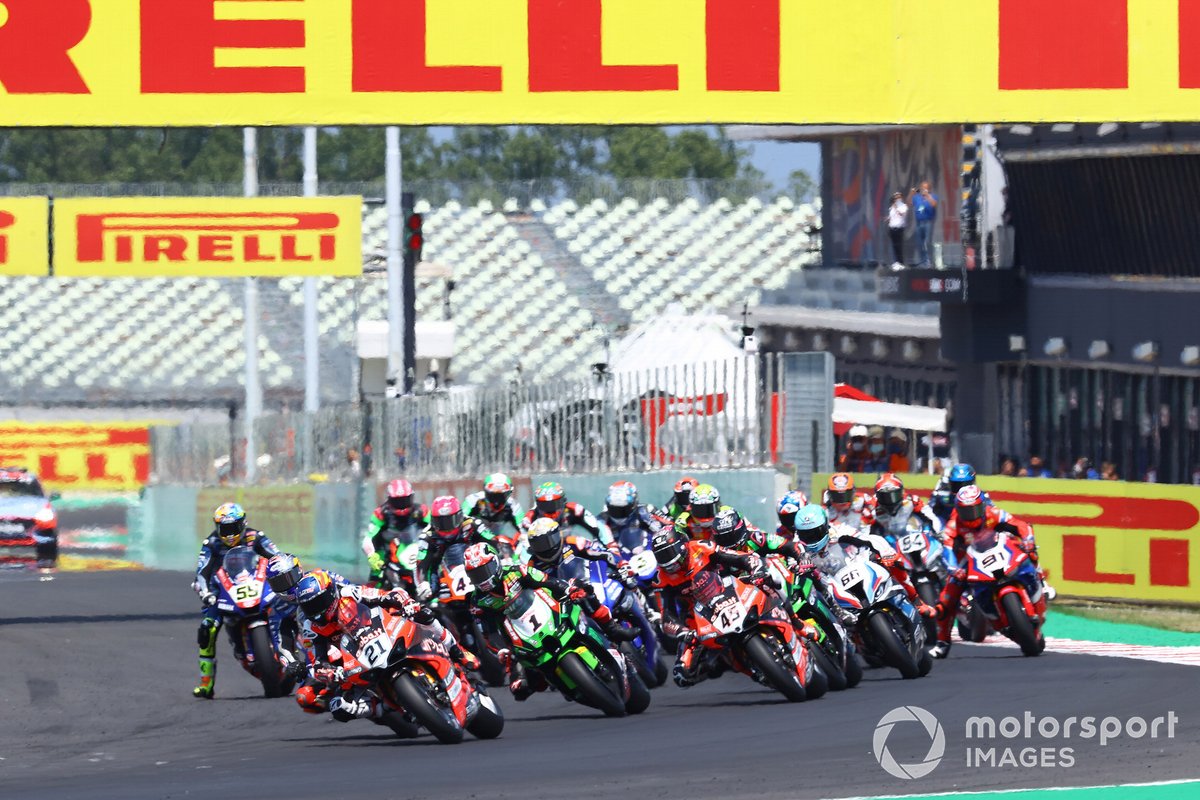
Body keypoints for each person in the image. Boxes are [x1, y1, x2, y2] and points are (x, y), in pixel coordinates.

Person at [290, 568, 478, 722]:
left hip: (382, 629)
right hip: (356, 658)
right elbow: (318, 660)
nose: (317, 610)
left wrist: (405, 603)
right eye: (310, 607)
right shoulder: (312, 627)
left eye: (319, 602)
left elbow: (385, 595)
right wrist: (329, 672)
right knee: (340, 707)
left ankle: (456, 650)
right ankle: (383, 708)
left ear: (330, 593)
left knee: (424, 615)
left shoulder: (349, 593)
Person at [463, 542, 621, 700]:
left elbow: (547, 581)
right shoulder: (478, 602)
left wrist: (568, 590)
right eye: (476, 575)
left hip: (547, 610)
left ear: (496, 563)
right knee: (519, 689)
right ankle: (553, 681)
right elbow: (488, 633)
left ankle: (612, 628)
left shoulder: (517, 571)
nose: (482, 578)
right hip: (519, 637)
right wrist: (501, 650)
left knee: (584, 596)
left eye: (484, 571)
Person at [932, 486, 1048, 658]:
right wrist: (953, 568)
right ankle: (942, 642)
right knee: (948, 596)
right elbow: (947, 549)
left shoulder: (993, 512)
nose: (971, 515)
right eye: (966, 511)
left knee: (1028, 552)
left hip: (999, 548)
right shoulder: (954, 524)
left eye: (974, 509)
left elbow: (1020, 525)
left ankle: (1042, 583)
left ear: (982, 505)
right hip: (970, 559)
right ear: (958, 510)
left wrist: (1028, 540)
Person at [650, 528, 770, 687]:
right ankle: (727, 663)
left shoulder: (702, 547)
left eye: (669, 552)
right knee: (682, 675)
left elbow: (739, 558)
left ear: (682, 546)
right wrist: (683, 632)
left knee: (771, 583)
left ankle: (794, 621)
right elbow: (667, 616)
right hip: (697, 614)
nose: (668, 561)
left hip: (729, 589)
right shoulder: (660, 579)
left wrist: (755, 568)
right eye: (662, 555)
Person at [190, 502, 281, 699]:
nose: (230, 534)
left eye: (233, 528)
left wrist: (284, 572)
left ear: (243, 524)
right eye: (225, 529)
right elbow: (201, 572)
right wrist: (205, 592)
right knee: (207, 628)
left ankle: (305, 651)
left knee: (291, 604)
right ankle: (206, 682)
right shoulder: (211, 543)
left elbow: (278, 557)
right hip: (222, 591)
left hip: (256, 585)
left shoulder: (255, 537)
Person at [524, 517, 638, 641]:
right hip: (565, 602)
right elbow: (535, 590)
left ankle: (647, 614)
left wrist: (621, 564)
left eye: (549, 541)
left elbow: (603, 553)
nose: (545, 547)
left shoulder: (573, 542)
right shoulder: (532, 565)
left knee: (628, 587)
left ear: (557, 535)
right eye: (539, 544)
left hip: (590, 583)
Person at [413, 496, 500, 602]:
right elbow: (421, 563)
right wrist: (423, 584)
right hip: (442, 569)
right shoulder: (427, 535)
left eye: (450, 521)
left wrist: (504, 558)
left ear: (459, 516)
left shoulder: (472, 524)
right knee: (426, 596)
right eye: (439, 522)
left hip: (472, 565)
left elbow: (493, 541)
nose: (445, 528)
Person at [361, 479, 428, 586]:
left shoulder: (422, 511)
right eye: (398, 501)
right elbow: (367, 539)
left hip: (415, 551)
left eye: (405, 500)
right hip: (387, 553)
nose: (402, 505)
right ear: (389, 500)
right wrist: (371, 556)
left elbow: (434, 528)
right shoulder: (381, 513)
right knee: (375, 578)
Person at [521, 481, 616, 553]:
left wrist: (612, 547)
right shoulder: (529, 519)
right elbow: (525, 546)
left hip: (569, 553)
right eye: (544, 506)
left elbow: (598, 526)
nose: (550, 511)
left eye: (554, 505)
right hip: (542, 556)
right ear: (537, 505)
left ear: (563, 502)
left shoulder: (575, 510)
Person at [463, 472, 526, 557]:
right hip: (475, 540)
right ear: (485, 492)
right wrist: (477, 525)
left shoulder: (513, 505)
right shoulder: (472, 500)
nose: (497, 502)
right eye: (493, 496)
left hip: (500, 541)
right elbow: (461, 518)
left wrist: (517, 551)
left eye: (501, 497)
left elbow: (524, 530)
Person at [599, 480, 671, 548]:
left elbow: (669, 526)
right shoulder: (602, 519)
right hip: (617, 556)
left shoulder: (645, 510)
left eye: (623, 509)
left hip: (647, 552)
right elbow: (597, 543)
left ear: (633, 504)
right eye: (613, 509)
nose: (618, 513)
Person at [871, 473, 942, 537]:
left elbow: (931, 517)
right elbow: (865, 528)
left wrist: (936, 533)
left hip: (911, 535)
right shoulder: (872, 505)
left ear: (901, 492)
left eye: (894, 495)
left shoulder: (912, 500)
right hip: (887, 540)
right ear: (877, 496)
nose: (890, 501)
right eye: (884, 497)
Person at [909, 180, 939, 267]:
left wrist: (927, 195)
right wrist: (911, 193)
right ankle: (922, 260)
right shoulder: (917, 197)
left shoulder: (933, 196)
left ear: (929, 189)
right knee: (919, 242)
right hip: (918, 222)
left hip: (928, 222)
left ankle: (928, 260)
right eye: (922, 187)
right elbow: (909, 203)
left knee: (927, 242)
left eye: (925, 187)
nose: (923, 189)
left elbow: (934, 204)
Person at [887, 191, 908, 269]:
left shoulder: (903, 206)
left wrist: (896, 207)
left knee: (899, 246)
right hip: (892, 228)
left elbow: (902, 214)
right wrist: (888, 218)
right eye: (895, 197)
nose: (897, 198)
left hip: (899, 228)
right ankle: (896, 262)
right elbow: (892, 216)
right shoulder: (891, 207)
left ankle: (901, 263)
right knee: (894, 246)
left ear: (901, 198)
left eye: (898, 197)